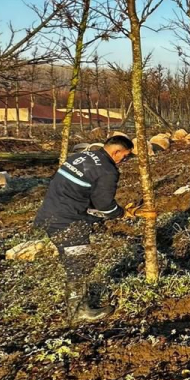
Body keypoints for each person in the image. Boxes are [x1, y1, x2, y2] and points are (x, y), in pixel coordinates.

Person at [32, 134, 133, 322]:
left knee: (75, 261)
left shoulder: (81, 157)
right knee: (79, 262)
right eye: (124, 156)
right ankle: (78, 311)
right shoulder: (107, 170)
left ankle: (77, 305)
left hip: (49, 214)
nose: (124, 160)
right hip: (67, 220)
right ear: (116, 151)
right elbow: (104, 205)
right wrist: (121, 213)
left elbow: (83, 192)